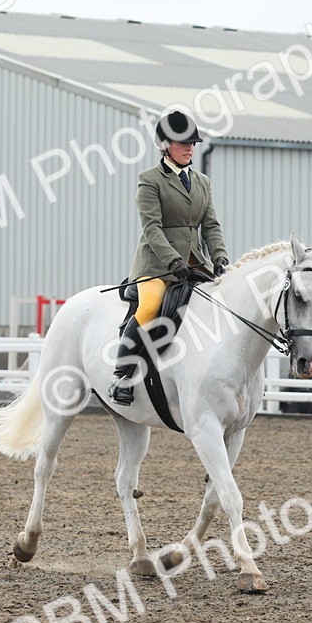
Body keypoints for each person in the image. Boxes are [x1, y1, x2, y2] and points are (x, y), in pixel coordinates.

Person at [109, 110, 230, 405]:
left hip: (194, 263)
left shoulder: (202, 182)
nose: (190, 148)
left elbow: (210, 226)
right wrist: (173, 260)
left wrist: (221, 258)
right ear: (165, 145)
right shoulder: (150, 180)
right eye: (182, 143)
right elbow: (152, 228)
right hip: (156, 264)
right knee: (150, 305)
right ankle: (121, 374)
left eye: (193, 143)